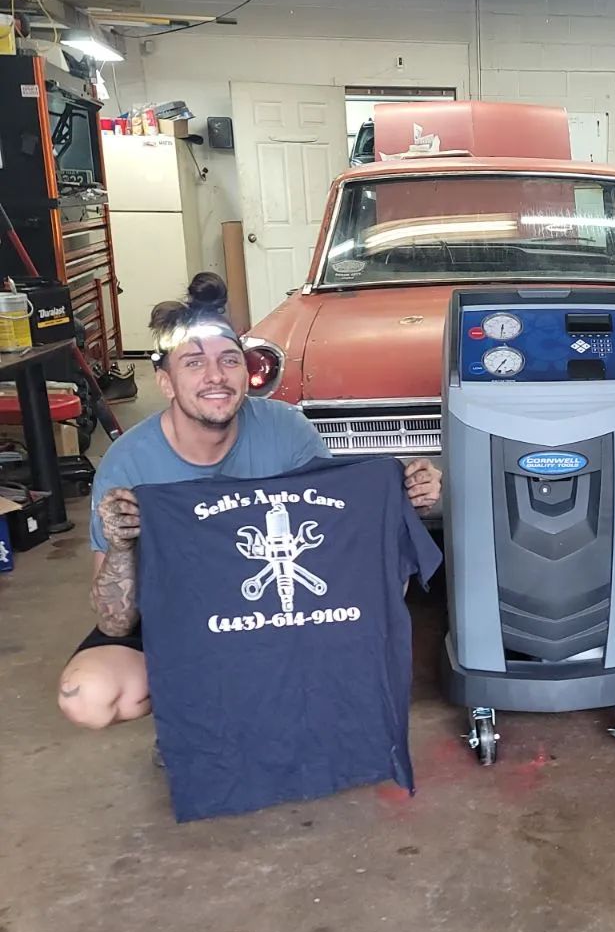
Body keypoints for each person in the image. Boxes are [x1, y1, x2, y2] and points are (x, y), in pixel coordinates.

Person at [58, 274, 442, 731]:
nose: (216, 376)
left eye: (228, 360)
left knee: (379, 581)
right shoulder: (128, 464)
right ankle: (195, 713)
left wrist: (402, 498)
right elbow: (116, 623)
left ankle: (290, 705)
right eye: (194, 363)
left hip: (271, 616)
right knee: (90, 696)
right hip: (179, 621)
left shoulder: (285, 429)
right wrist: (122, 546)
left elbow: (345, 524)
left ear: (247, 372)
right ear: (165, 381)